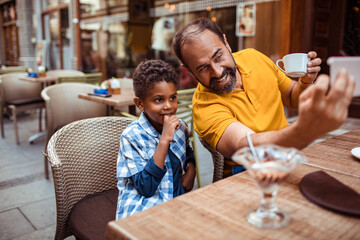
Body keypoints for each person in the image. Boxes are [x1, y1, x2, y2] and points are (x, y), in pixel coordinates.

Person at [172, 18, 355, 178]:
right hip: (246, 172)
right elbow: (245, 145)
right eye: (203, 68)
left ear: (227, 43)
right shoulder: (203, 105)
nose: (218, 72)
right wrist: (304, 130)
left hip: (291, 154)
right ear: (189, 70)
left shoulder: (254, 58)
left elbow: (292, 97)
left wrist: (305, 82)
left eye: (218, 56)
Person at [116, 59, 196, 219]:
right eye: (159, 100)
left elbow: (187, 151)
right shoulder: (131, 137)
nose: (168, 106)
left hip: (175, 202)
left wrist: (191, 169)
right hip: (143, 207)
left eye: (173, 98)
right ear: (140, 103)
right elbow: (146, 188)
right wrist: (164, 140)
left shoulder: (181, 128)